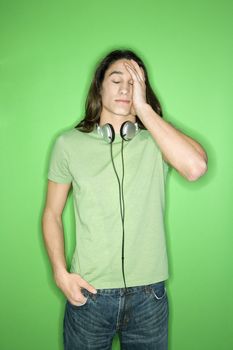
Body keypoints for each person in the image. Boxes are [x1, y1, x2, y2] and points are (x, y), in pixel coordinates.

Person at [41, 49, 208, 350]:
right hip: (89, 296)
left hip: (149, 298)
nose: (124, 89)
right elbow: (52, 213)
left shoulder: (157, 140)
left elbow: (196, 168)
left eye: (134, 83)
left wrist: (144, 111)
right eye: (116, 80)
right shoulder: (68, 144)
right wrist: (59, 273)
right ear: (99, 87)